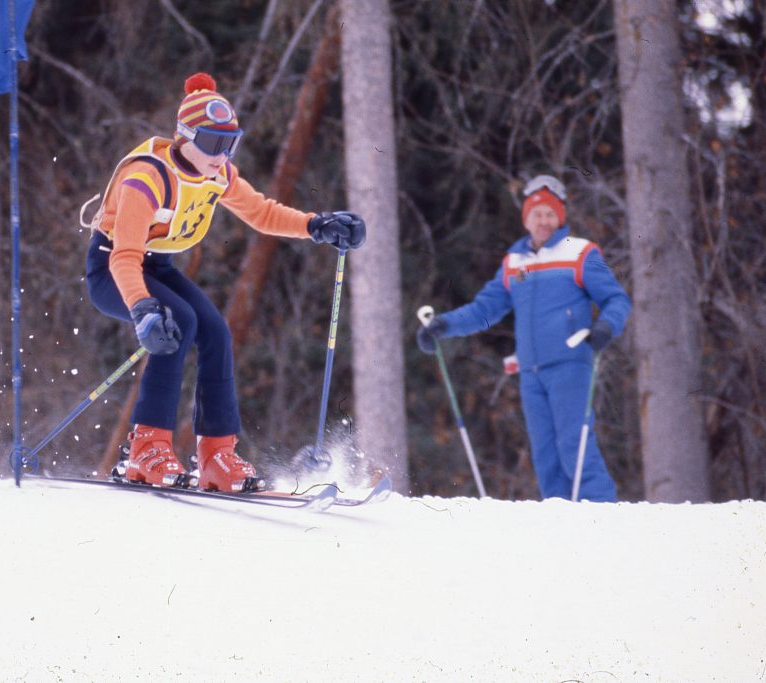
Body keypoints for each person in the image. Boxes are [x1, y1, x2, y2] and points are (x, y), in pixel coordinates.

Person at [82, 73, 366, 493]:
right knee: (177, 321)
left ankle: (217, 455)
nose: (223, 154)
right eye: (213, 142)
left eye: (230, 141)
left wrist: (316, 225)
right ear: (184, 137)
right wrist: (143, 309)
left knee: (215, 331)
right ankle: (146, 448)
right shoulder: (146, 179)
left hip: (156, 266)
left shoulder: (218, 174)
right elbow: (125, 256)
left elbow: (262, 213)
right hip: (112, 270)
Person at [416, 175, 631, 501]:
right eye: (536, 214)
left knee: (575, 445)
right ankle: (560, 524)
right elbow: (485, 309)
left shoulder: (580, 252)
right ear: (526, 219)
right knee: (545, 455)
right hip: (531, 372)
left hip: (570, 365)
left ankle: (601, 516)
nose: (543, 221)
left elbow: (617, 300)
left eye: (549, 214)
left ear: (560, 217)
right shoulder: (515, 262)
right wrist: (443, 325)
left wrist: (606, 327)